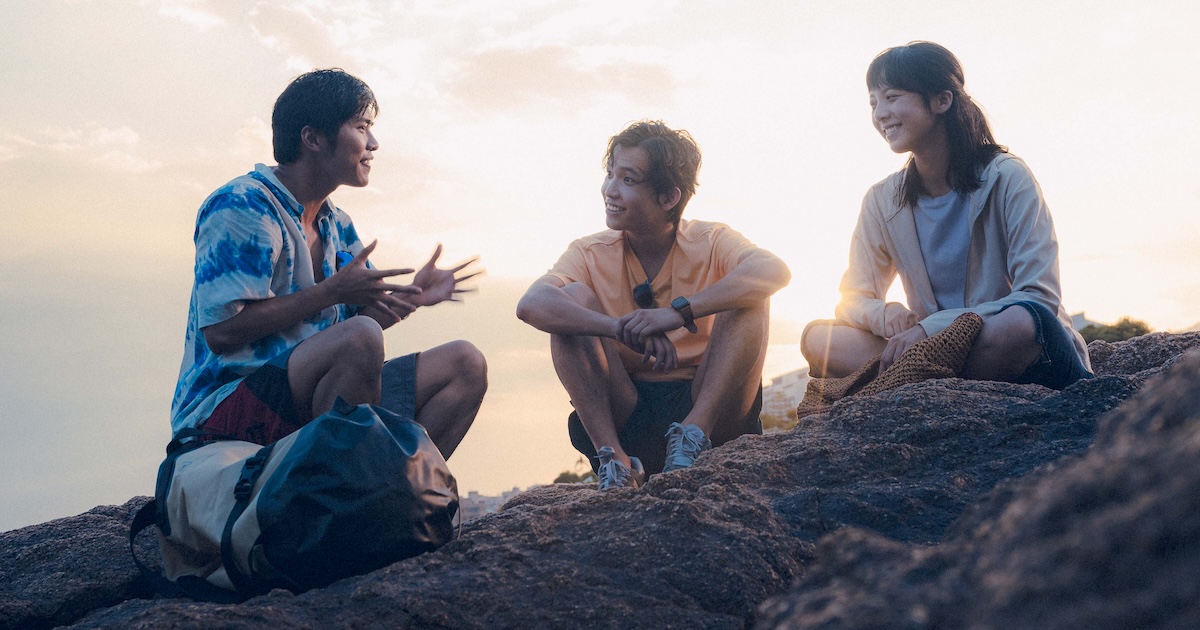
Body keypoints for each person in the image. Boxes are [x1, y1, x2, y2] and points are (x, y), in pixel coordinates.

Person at [170, 68, 486, 459]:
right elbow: (222, 332)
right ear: (313, 138)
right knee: (359, 336)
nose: (373, 144)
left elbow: (360, 321)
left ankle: (399, 488)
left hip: (315, 395)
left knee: (465, 363)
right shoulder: (243, 204)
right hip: (228, 408)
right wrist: (329, 293)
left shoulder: (336, 222)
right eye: (361, 127)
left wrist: (413, 296)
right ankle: (344, 487)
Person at [516, 120, 791, 490]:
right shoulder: (589, 251)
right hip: (628, 411)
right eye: (610, 174)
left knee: (752, 292)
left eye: (628, 179)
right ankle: (615, 463)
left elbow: (774, 270)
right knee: (572, 302)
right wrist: (619, 329)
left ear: (668, 198)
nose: (610, 190)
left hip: (708, 409)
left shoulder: (711, 240)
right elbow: (532, 304)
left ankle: (691, 440)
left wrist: (677, 313)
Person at [801, 42, 1092, 390]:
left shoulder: (1007, 176)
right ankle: (928, 378)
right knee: (817, 338)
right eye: (874, 102)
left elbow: (1038, 296)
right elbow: (852, 299)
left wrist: (933, 328)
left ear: (941, 101)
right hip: (933, 351)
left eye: (892, 97)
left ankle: (911, 380)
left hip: (1010, 345)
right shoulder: (882, 200)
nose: (880, 113)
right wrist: (885, 314)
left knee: (1021, 323)